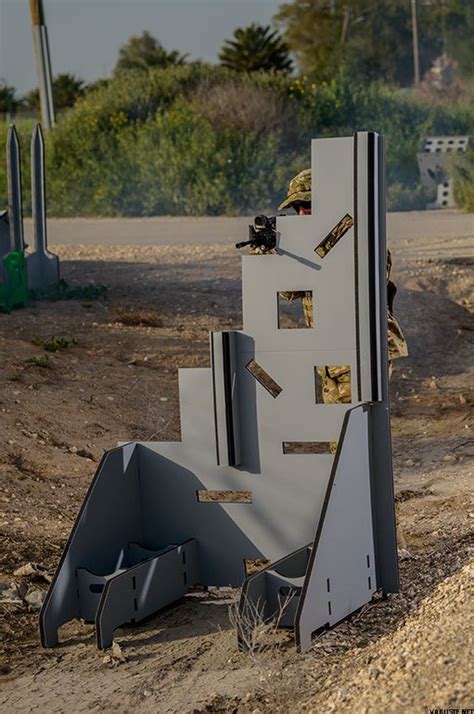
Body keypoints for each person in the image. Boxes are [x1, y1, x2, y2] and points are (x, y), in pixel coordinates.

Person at [276, 168, 408, 409]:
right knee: (342, 424)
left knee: (351, 422)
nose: (302, 213)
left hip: (360, 349)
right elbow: (288, 291)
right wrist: (270, 253)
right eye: (297, 208)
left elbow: (364, 278)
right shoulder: (308, 246)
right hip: (330, 354)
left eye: (308, 204)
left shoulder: (357, 233)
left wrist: (304, 250)